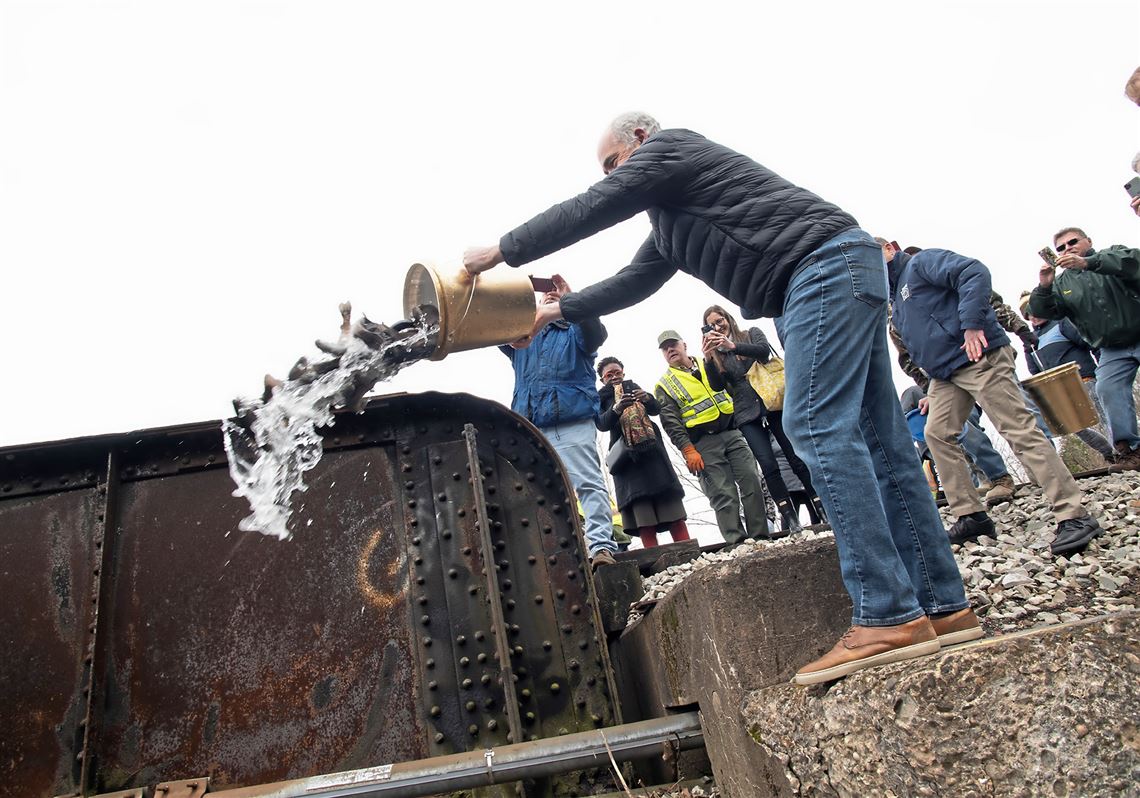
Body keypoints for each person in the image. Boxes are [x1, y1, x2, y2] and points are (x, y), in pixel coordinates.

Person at [465, 113, 977, 686]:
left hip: (822, 270)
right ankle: (942, 606)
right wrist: (553, 312)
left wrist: (499, 254)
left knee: (814, 428)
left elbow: (595, 205)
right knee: (882, 443)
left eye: (615, 163)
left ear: (641, 140)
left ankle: (886, 613)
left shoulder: (674, 149)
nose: (614, 177)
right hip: (829, 273)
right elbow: (632, 282)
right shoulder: (671, 224)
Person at [884, 240, 1102, 557]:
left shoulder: (921, 263)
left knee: (1017, 428)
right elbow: (914, 345)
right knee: (936, 433)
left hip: (979, 356)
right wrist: (931, 386)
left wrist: (972, 325)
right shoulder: (895, 301)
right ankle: (970, 515)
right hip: (944, 374)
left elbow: (973, 271)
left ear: (889, 249)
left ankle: (1073, 513)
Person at [499, 276, 618, 569]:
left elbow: (595, 333)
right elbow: (492, 324)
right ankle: (554, 556)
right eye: (545, 295)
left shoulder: (577, 331)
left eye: (556, 294)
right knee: (536, 494)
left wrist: (573, 300)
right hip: (531, 427)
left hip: (572, 421)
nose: (550, 295)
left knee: (588, 484)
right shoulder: (522, 336)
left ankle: (601, 547)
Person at [700, 304, 823, 533]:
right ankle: (791, 518)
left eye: (719, 321)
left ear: (728, 319)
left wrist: (733, 345)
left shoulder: (750, 334)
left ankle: (820, 506)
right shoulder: (716, 355)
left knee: (795, 457)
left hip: (773, 403)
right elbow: (717, 386)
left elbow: (764, 351)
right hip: (746, 413)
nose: (717, 327)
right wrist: (708, 359)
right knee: (768, 464)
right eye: (711, 325)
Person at [1028, 228, 1140, 471]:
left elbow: (1132, 263)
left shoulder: (1113, 254)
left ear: (1088, 241)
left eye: (1073, 242)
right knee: (1107, 389)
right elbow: (1043, 311)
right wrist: (1044, 286)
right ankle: (1129, 450)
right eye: (1060, 247)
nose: (1067, 248)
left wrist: (1088, 263)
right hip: (1112, 349)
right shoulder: (1062, 284)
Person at [653, 330, 769, 546]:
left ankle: (761, 537)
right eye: (665, 348)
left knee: (752, 480)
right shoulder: (664, 384)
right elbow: (671, 422)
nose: (670, 350)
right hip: (703, 444)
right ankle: (737, 542)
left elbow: (733, 388)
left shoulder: (711, 361)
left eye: (673, 344)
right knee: (722, 493)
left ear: (684, 345)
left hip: (732, 432)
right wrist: (687, 449)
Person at [595, 355, 691, 548]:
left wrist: (646, 398)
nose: (614, 377)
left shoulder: (633, 387)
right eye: (609, 375)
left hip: (652, 454)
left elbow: (656, 409)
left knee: (669, 502)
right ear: (602, 379)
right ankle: (652, 552)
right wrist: (616, 409)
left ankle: (686, 547)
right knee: (641, 509)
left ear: (624, 373)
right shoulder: (600, 398)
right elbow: (602, 424)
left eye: (617, 372)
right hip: (628, 459)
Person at [1019, 292, 1115, 460]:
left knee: (1105, 417)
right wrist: (1028, 350)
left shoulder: (1062, 324)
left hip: (1083, 379)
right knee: (1076, 426)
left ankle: (1124, 450)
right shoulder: (1033, 341)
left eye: (1034, 311)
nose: (1032, 317)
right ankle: (1109, 452)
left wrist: (1104, 368)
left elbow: (1090, 344)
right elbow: (1035, 371)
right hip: (1059, 390)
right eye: (1028, 314)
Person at [899, 384, 1011, 501]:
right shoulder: (913, 393)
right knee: (912, 398)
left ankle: (993, 477)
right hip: (930, 406)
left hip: (954, 394)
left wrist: (935, 396)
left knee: (962, 423)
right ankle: (965, 483)